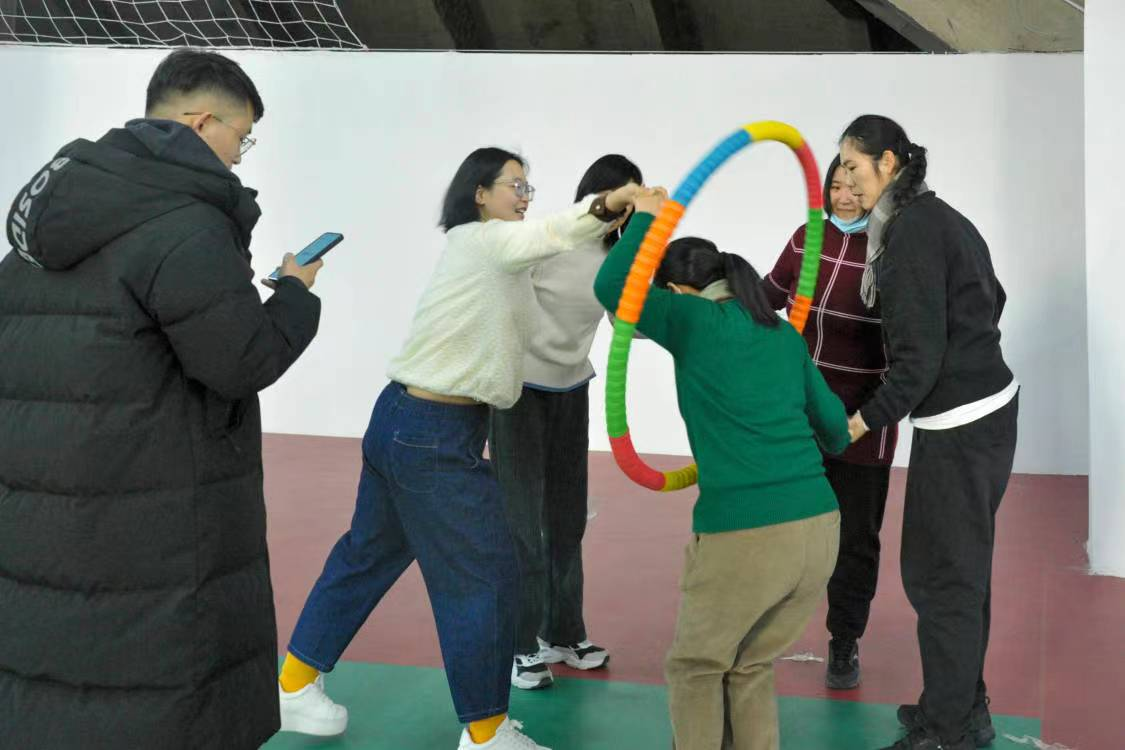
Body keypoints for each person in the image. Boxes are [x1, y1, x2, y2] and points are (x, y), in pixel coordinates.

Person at [0, 49, 323, 749]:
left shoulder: (43, 228)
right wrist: (295, 296)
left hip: (47, 506)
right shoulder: (186, 225)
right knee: (161, 685)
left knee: (61, 679)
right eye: (241, 137)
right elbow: (241, 360)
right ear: (201, 123)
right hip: (160, 510)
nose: (239, 157)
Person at [277, 147, 641, 750]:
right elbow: (552, 233)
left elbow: (554, 272)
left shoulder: (494, 255)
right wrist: (610, 203)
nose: (525, 197)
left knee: (367, 554)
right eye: (514, 186)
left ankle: (294, 684)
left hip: (403, 419)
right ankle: (486, 732)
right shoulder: (483, 240)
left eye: (528, 187)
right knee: (487, 575)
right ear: (479, 193)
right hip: (434, 435)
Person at [594, 188, 850, 750]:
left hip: (745, 536)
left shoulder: (689, 318)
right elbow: (834, 429)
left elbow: (612, 288)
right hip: (819, 531)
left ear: (677, 290)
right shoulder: (781, 332)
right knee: (748, 664)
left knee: (696, 666)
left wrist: (646, 220)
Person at [838, 115, 1018, 750]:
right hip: (986, 412)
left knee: (941, 577)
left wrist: (859, 421)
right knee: (959, 573)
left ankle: (948, 730)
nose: (845, 181)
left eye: (854, 167)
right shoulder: (939, 216)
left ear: (888, 163)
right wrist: (969, 348)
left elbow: (917, 362)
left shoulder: (909, 232)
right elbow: (994, 297)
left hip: (961, 424)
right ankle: (962, 707)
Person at [490, 154, 644, 691]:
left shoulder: (616, 257)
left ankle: (563, 633)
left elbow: (630, 324)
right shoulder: (552, 240)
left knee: (566, 518)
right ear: (600, 196)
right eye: (624, 198)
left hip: (572, 389)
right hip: (520, 391)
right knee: (521, 523)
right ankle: (519, 645)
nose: (628, 210)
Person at [763, 154, 898, 690]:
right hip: (803, 410)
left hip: (867, 416)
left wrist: (872, 412)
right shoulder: (807, 238)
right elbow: (768, 297)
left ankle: (845, 640)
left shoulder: (891, 247)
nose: (843, 197)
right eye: (835, 186)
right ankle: (760, 625)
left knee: (856, 538)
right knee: (785, 526)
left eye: (854, 186)